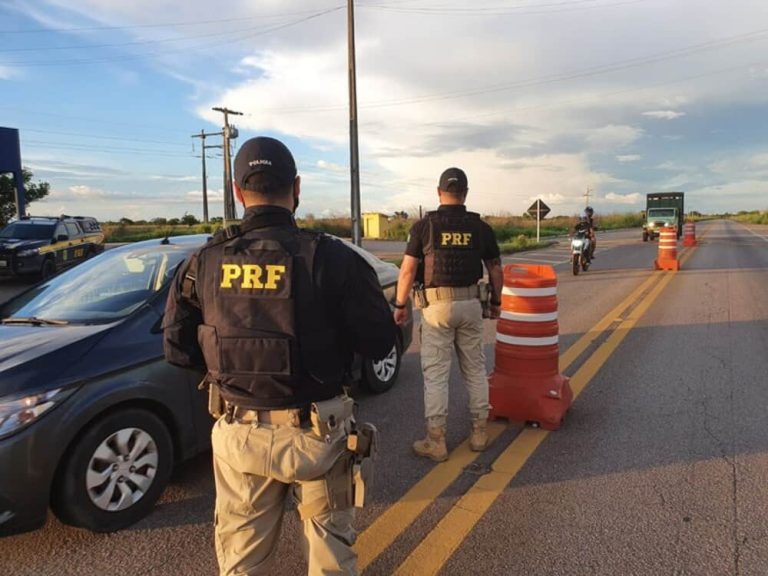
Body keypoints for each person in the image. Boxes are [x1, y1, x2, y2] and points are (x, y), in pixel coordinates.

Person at [163, 136, 397, 576]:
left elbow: (177, 349)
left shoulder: (203, 262)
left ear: (236, 192)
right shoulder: (331, 258)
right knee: (330, 560)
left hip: (240, 434)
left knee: (242, 564)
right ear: (297, 189)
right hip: (319, 435)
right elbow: (380, 342)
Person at [393, 167, 503, 462]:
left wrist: (400, 305)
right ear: (465, 194)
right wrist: (496, 301)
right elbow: (495, 268)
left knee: (437, 376)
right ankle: (479, 433)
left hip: (436, 308)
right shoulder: (480, 228)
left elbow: (406, 270)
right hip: (470, 305)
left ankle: (436, 441)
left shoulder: (424, 226)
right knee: (475, 370)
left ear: (439, 192)